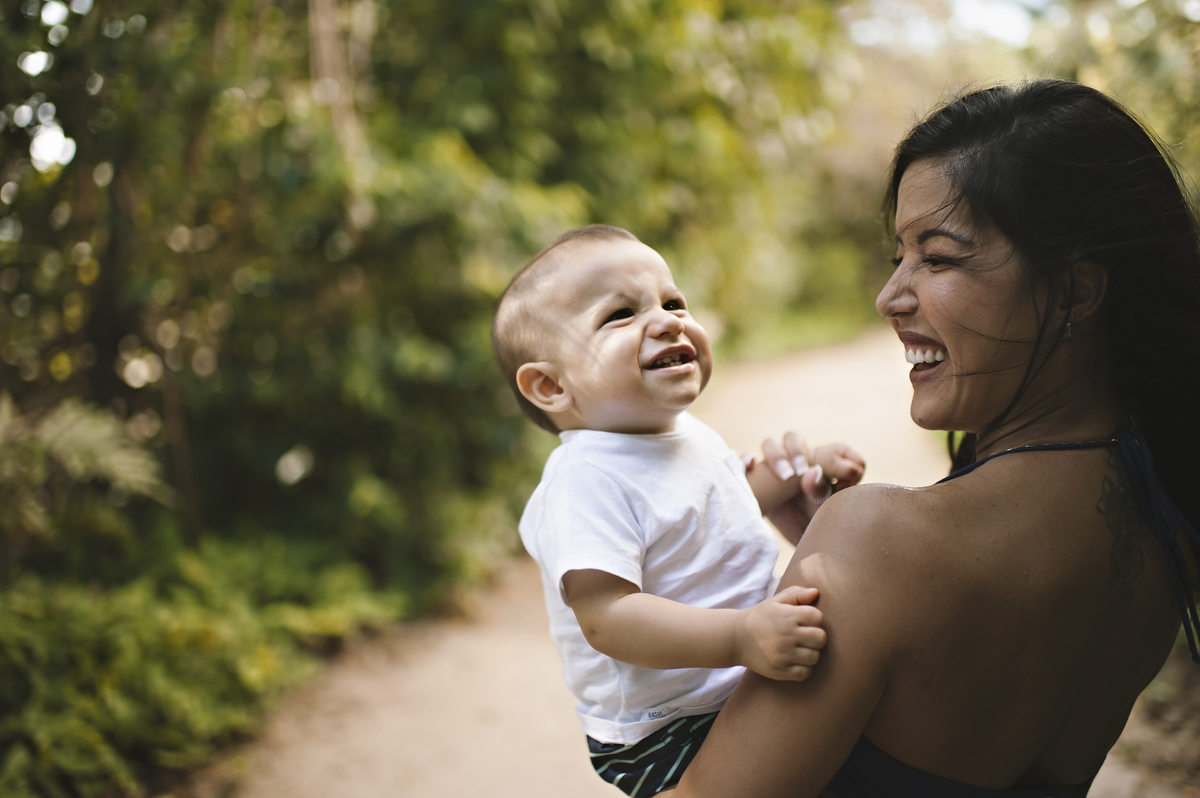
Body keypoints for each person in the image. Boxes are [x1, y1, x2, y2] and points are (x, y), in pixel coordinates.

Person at [671, 79, 1200, 798]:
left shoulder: (877, 545)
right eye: (899, 256)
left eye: (939, 257)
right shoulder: (1167, 519)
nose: (891, 297)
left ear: (1076, 291)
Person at [491, 224, 866, 797]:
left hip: (737, 677)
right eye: (620, 315)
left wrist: (803, 472)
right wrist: (741, 634)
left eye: (673, 301)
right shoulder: (584, 478)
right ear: (550, 386)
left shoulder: (678, 432)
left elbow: (726, 501)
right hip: (670, 725)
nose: (668, 320)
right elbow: (607, 616)